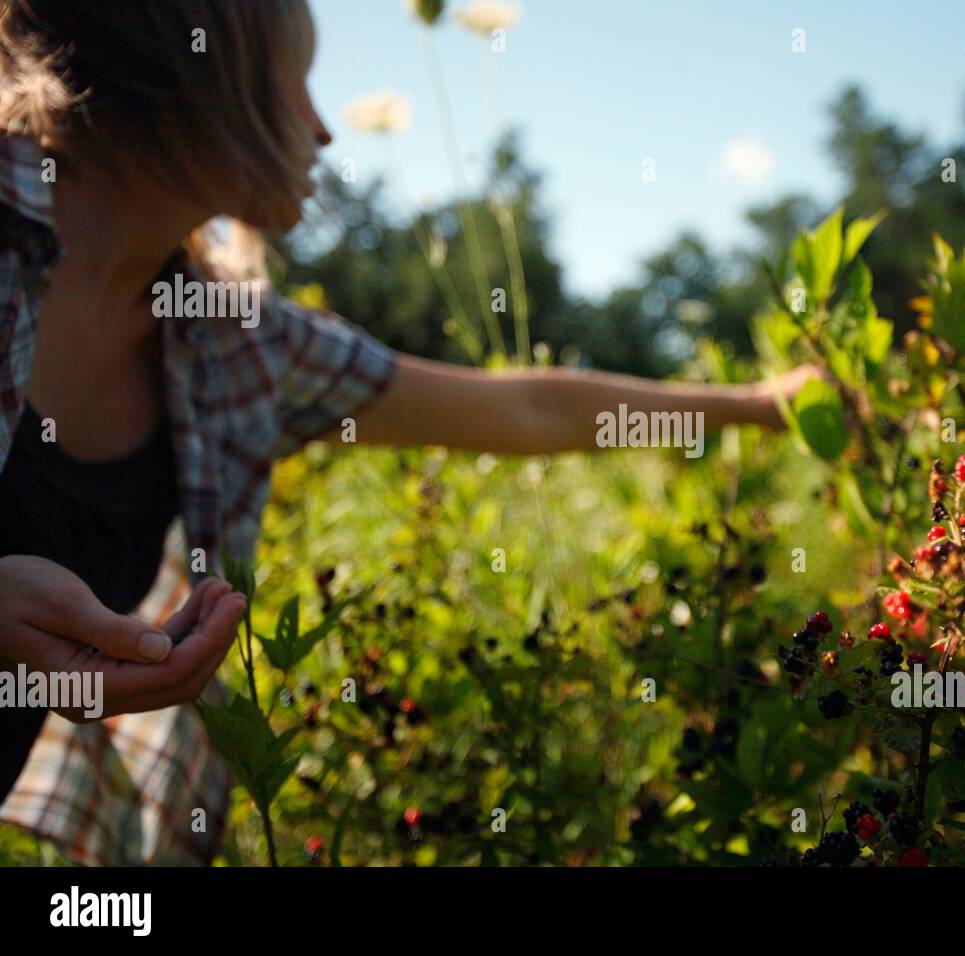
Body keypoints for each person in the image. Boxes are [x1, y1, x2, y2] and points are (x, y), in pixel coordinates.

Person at [0, 0, 812, 827]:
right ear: (191, 66)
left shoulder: (230, 344)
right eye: (295, 81)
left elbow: (528, 410)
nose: (322, 131)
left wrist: (762, 408)